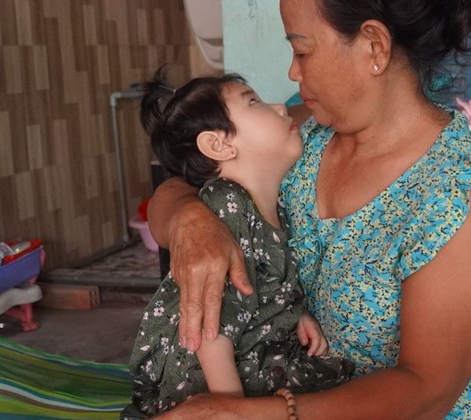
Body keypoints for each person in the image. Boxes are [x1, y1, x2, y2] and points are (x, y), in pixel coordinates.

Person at [146, 0, 471, 418]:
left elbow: (426, 392)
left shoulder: (457, 196)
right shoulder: (299, 136)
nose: (292, 73)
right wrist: (190, 220)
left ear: (373, 46)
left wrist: (245, 414)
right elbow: (175, 186)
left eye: (302, 51)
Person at [123, 69, 353, 418]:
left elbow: (264, 283)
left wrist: (293, 314)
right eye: (254, 102)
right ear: (219, 145)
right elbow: (212, 330)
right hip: (213, 378)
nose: (280, 107)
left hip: (251, 357)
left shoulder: (272, 205)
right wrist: (230, 408)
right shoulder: (226, 205)